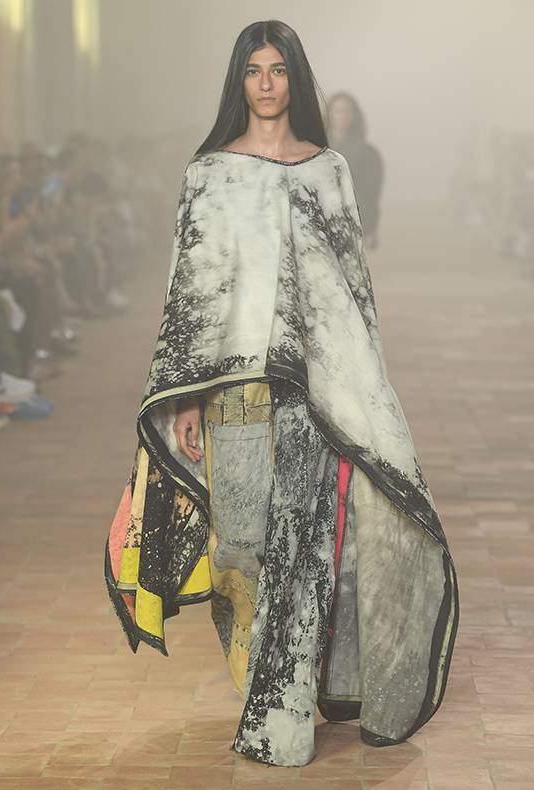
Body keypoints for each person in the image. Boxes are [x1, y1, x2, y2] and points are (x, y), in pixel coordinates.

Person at [103, 20, 457, 768]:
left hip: (317, 388)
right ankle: (273, 682)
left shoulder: (329, 170)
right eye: (253, 70)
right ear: (239, 81)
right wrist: (185, 396)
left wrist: (368, 385)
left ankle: (281, 713)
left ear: (296, 77)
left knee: (305, 546)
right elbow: (190, 289)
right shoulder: (209, 173)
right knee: (241, 544)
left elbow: (353, 285)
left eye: (278, 69)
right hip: (232, 385)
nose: (266, 84)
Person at [326, 92, 384, 252]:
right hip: (319, 224)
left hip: (352, 224)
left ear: (354, 115)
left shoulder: (367, 152)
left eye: (347, 111)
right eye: (337, 111)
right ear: (329, 114)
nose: (342, 116)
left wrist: (371, 228)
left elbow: (371, 194)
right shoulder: (314, 147)